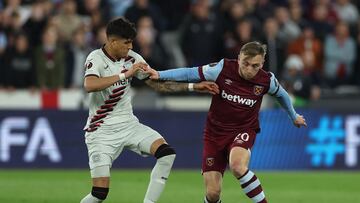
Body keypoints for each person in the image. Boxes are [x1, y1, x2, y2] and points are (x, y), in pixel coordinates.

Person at [144, 41, 307, 203]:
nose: (249, 70)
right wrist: (159, 74)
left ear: (262, 63)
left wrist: (293, 116)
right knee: (213, 194)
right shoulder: (221, 69)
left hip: (243, 130)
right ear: (239, 58)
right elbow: (189, 73)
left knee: (237, 166)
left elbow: (282, 95)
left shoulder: (266, 80)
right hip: (214, 134)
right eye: (246, 64)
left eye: (255, 66)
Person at [80, 17, 219, 203]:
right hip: (101, 132)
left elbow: (158, 85)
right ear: (112, 41)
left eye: (131, 42)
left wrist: (193, 87)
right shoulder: (95, 58)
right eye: (126, 42)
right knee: (99, 194)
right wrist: (125, 74)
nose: (130, 47)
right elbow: (90, 85)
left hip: (129, 125)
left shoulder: (134, 59)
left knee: (167, 154)